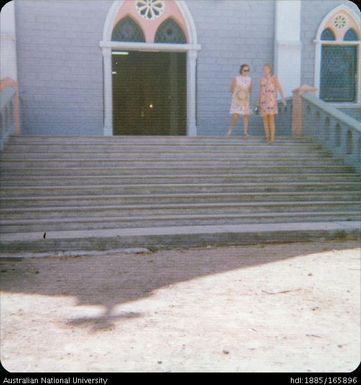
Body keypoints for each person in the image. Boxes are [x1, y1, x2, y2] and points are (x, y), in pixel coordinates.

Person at [257, 63, 287, 144]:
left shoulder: (274, 78)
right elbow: (260, 91)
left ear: (270, 70)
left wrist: (283, 99)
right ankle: (267, 137)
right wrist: (258, 101)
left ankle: (272, 138)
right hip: (263, 101)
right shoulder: (262, 79)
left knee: (271, 120)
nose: (265, 70)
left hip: (271, 101)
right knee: (265, 120)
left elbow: (280, 88)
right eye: (263, 69)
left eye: (266, 68)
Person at [227, 64, 252, 137]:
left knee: (246, 115)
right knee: (235, 115)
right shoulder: (236, 78)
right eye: (245, 70)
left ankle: (245, 132)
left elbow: (250, 90)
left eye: (248, 70)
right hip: (237, 99)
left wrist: (246, 94)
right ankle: (230, 130)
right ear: (241, 70)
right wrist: (237, 91)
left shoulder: (249, 79)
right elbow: (231, 89)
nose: (246, 72)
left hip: (245, 99)